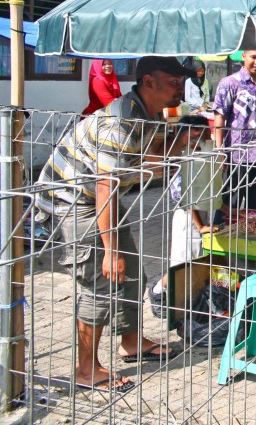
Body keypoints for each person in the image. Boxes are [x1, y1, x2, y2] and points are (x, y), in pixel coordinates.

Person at [36, 56, 196, 393]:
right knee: (100, 282)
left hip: (97, 197)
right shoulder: (120, 123)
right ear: (149, 81)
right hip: (73, 201)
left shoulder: (149, 114)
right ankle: (86, 370)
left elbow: (151, 161)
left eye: (182, 82)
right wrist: (110, 250)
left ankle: (131, 341)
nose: (180, 88)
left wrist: (182, 138)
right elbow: (104, 187)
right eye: (173, 81)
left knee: (132, 269)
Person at [149, 115, 219, 318]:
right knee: (182, 265)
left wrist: (225, 210)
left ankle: (194, 304)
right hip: (187, 218)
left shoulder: (202, 157)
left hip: (201, 214)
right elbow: (186, 198)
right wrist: (200, 226)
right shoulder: (184, 160)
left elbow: (210, 191)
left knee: (196, 263)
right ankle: (158, 292)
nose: (209, 138)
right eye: (205, 134)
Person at [213, 49, 256, 211]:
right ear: (244, 56)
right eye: (253, 57)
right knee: (230, 206)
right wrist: (219, 150)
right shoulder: (229, 83)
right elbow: (219, 117)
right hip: (236, 156)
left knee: (255, 209)